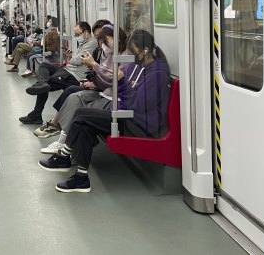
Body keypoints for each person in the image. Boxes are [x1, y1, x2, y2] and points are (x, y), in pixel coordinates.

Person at [39, 30, 170, 193]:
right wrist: (119, 82)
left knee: (81, 113)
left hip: (138, 122)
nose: (132, 55)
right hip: (124, 113)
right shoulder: (138, 66)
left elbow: (137, 104)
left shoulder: (157, 73)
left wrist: (121, 82)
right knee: (85, 125)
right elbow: (122, 92)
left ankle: (64, 155)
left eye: (134, 51)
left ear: (145, 51)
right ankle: (81, 178)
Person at [37, 25, 127, 152]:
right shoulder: (111, 55)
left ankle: (64, 140)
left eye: (104, 41)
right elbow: (103, 77)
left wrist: (94, 66)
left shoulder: (125, 56)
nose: (102, 45)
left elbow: (110, 78)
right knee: (73, 98)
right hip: (102, 91)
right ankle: (61, 140)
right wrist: (93, 78)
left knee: (75, 101)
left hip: (111, 97)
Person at [18, 21, 97, 125]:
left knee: (46, 83)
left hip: (74, 76)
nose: (76, 37)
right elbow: (77, 60)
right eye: (75, 35)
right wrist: (71, 58)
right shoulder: (83, 44)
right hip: (68, 70)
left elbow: (78, 60)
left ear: (86, 32)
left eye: (78, 34)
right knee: (44, 66)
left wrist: (72, 59)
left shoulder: (92, 43)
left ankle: (36, 114)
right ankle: (42, 83)